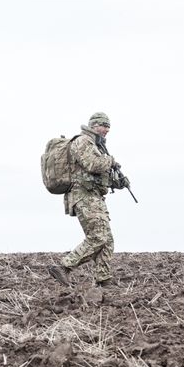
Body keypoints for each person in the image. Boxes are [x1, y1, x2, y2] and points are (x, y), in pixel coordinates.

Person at [48, 112, 129, 287]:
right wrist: (110, 161)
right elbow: (92, 165)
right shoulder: (83, 141)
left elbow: (95, 174)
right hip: (83, 196)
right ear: (93, 126)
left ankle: (104, 278)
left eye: (108, 127)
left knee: (107, 240)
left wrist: (118, 182)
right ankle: (64, 266)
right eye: (103, 126)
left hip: (94, 196)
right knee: (98, 237)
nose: (106, 130)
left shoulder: (96, 145)